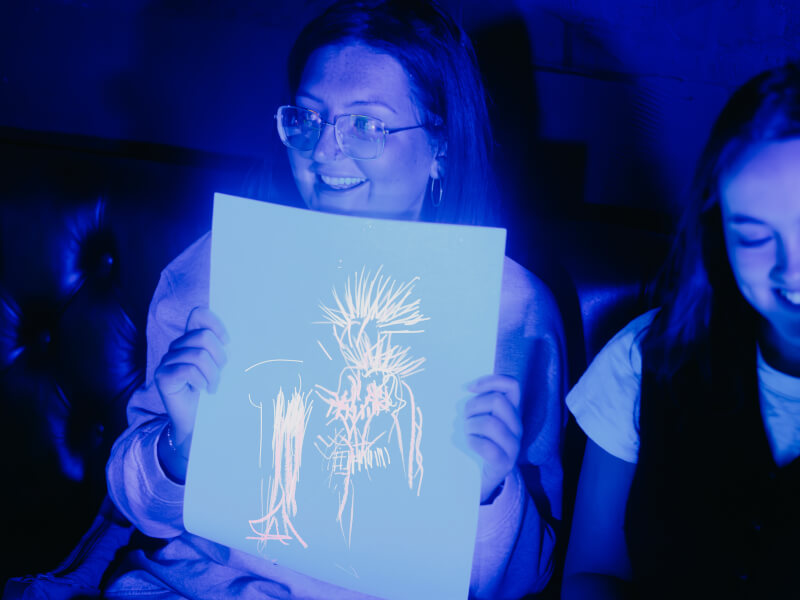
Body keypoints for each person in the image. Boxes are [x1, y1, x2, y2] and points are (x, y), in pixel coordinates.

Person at [104, 1, 565, 598]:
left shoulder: (514, 311)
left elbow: (524, 581)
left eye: (366, 124)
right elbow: (142, 512)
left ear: (441, 145)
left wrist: (490, 491)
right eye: (309, 118)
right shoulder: (220, 264)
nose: (323, 151)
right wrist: (181, 448)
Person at [562, 61, 800, 599]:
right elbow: (588, 576)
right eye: (755, 235)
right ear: (718, 233)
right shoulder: (643, 358)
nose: (791, 268)